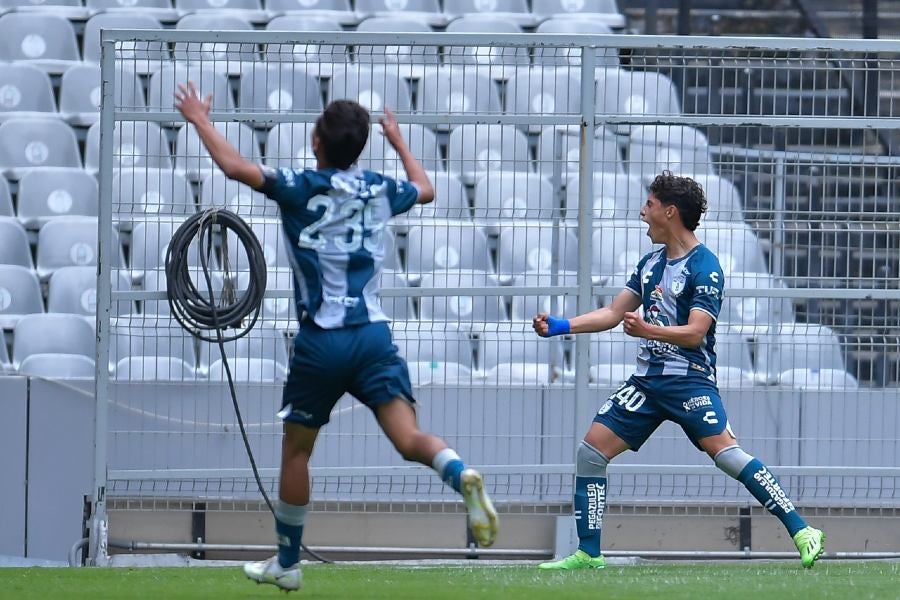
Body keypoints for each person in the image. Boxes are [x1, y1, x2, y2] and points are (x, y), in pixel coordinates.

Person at [175, 83, 498, 591]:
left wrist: (199, 119)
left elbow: (236, 169)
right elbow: (428, 188)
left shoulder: (299, 186)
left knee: (297, 452)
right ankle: (459, 474)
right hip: (371, 336)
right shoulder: (377, 188)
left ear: (316, 141)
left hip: (322, 340)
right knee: (409, 438)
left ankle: (287, 562)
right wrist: (398, 142)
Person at [533, 171, 824, 570]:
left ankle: (802, 530)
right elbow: (614, 312)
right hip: (648, 384)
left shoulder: (706, 267)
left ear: (669, 212)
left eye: (649, 205)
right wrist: (561, 326)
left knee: (727, 456)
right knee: (590, 453)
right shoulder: (650, 263)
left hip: (690, 382)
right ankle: (589, 553)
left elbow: (695, 333)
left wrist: (648, 328)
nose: (642, 212)